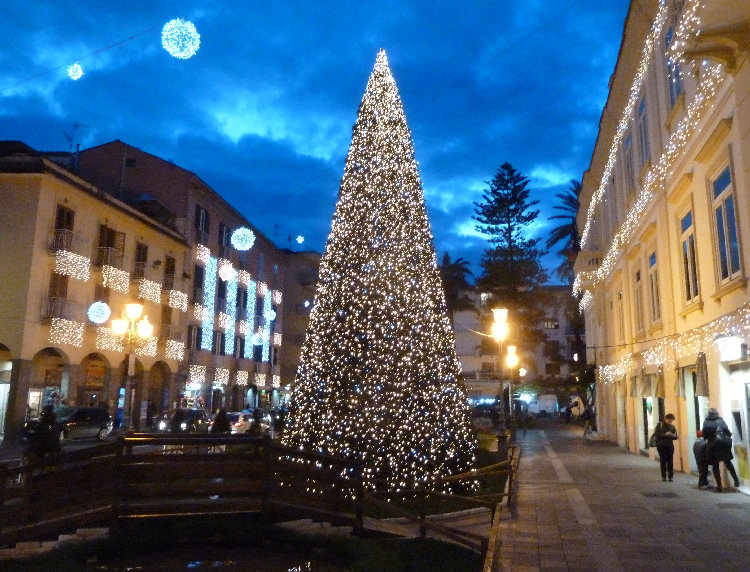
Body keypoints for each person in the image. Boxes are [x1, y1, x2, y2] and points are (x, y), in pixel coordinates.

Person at [702, 407, 739, 492]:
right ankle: (736, 480)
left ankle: (719, 485)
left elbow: (705, 436)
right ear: (717, 413)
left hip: (713, 445)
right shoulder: (721, 421)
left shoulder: (706, 422)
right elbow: (728, 432)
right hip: (724, 444)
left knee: (715, 466)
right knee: (728, 462)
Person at [654, 413, 678, 481]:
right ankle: (663, 476)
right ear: (665, 419)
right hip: (661, 445)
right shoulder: (660, 425)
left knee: (670, 461)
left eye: (672, 420)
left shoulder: (672, 427)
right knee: (663, 460)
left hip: (670, 445)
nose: (670, 422)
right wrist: (665, 434)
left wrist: (673, 436)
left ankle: (670, 476)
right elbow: (657, 434)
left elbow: (676, 436)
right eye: (670, 420)